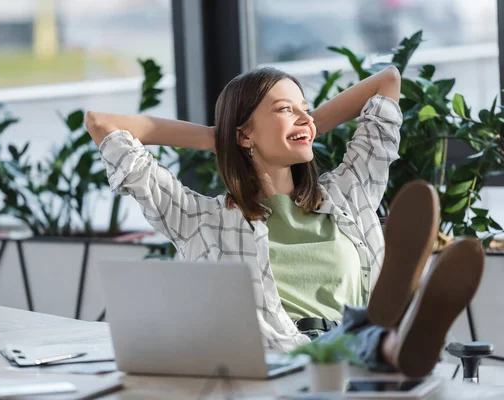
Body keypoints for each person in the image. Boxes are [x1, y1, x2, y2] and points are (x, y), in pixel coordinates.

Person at [85, 66, 484, 378]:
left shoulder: (349, 195)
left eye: (306, 109)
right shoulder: (199, 220)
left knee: (362, 334)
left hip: (350, 353)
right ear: (244, 135)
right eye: (284, 109)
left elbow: (387, 81)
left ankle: (393, 337)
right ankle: (392, 341)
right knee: (358, 342)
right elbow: (101, 123)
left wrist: (301, 128)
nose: (305, 118)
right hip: (276, 363)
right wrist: (216, 136)